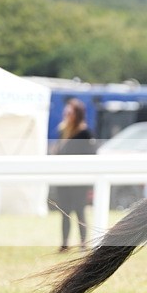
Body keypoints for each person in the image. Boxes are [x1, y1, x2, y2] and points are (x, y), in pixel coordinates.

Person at [54, 97, 97, 252]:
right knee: (64, 212)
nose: (66, 113)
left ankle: (83, 243)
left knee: (80, 211)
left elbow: (91, 155)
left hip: (79, 180)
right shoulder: (63, 130)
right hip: (64, 179)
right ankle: (64, 243)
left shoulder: (85, 132)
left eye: (70, 111)